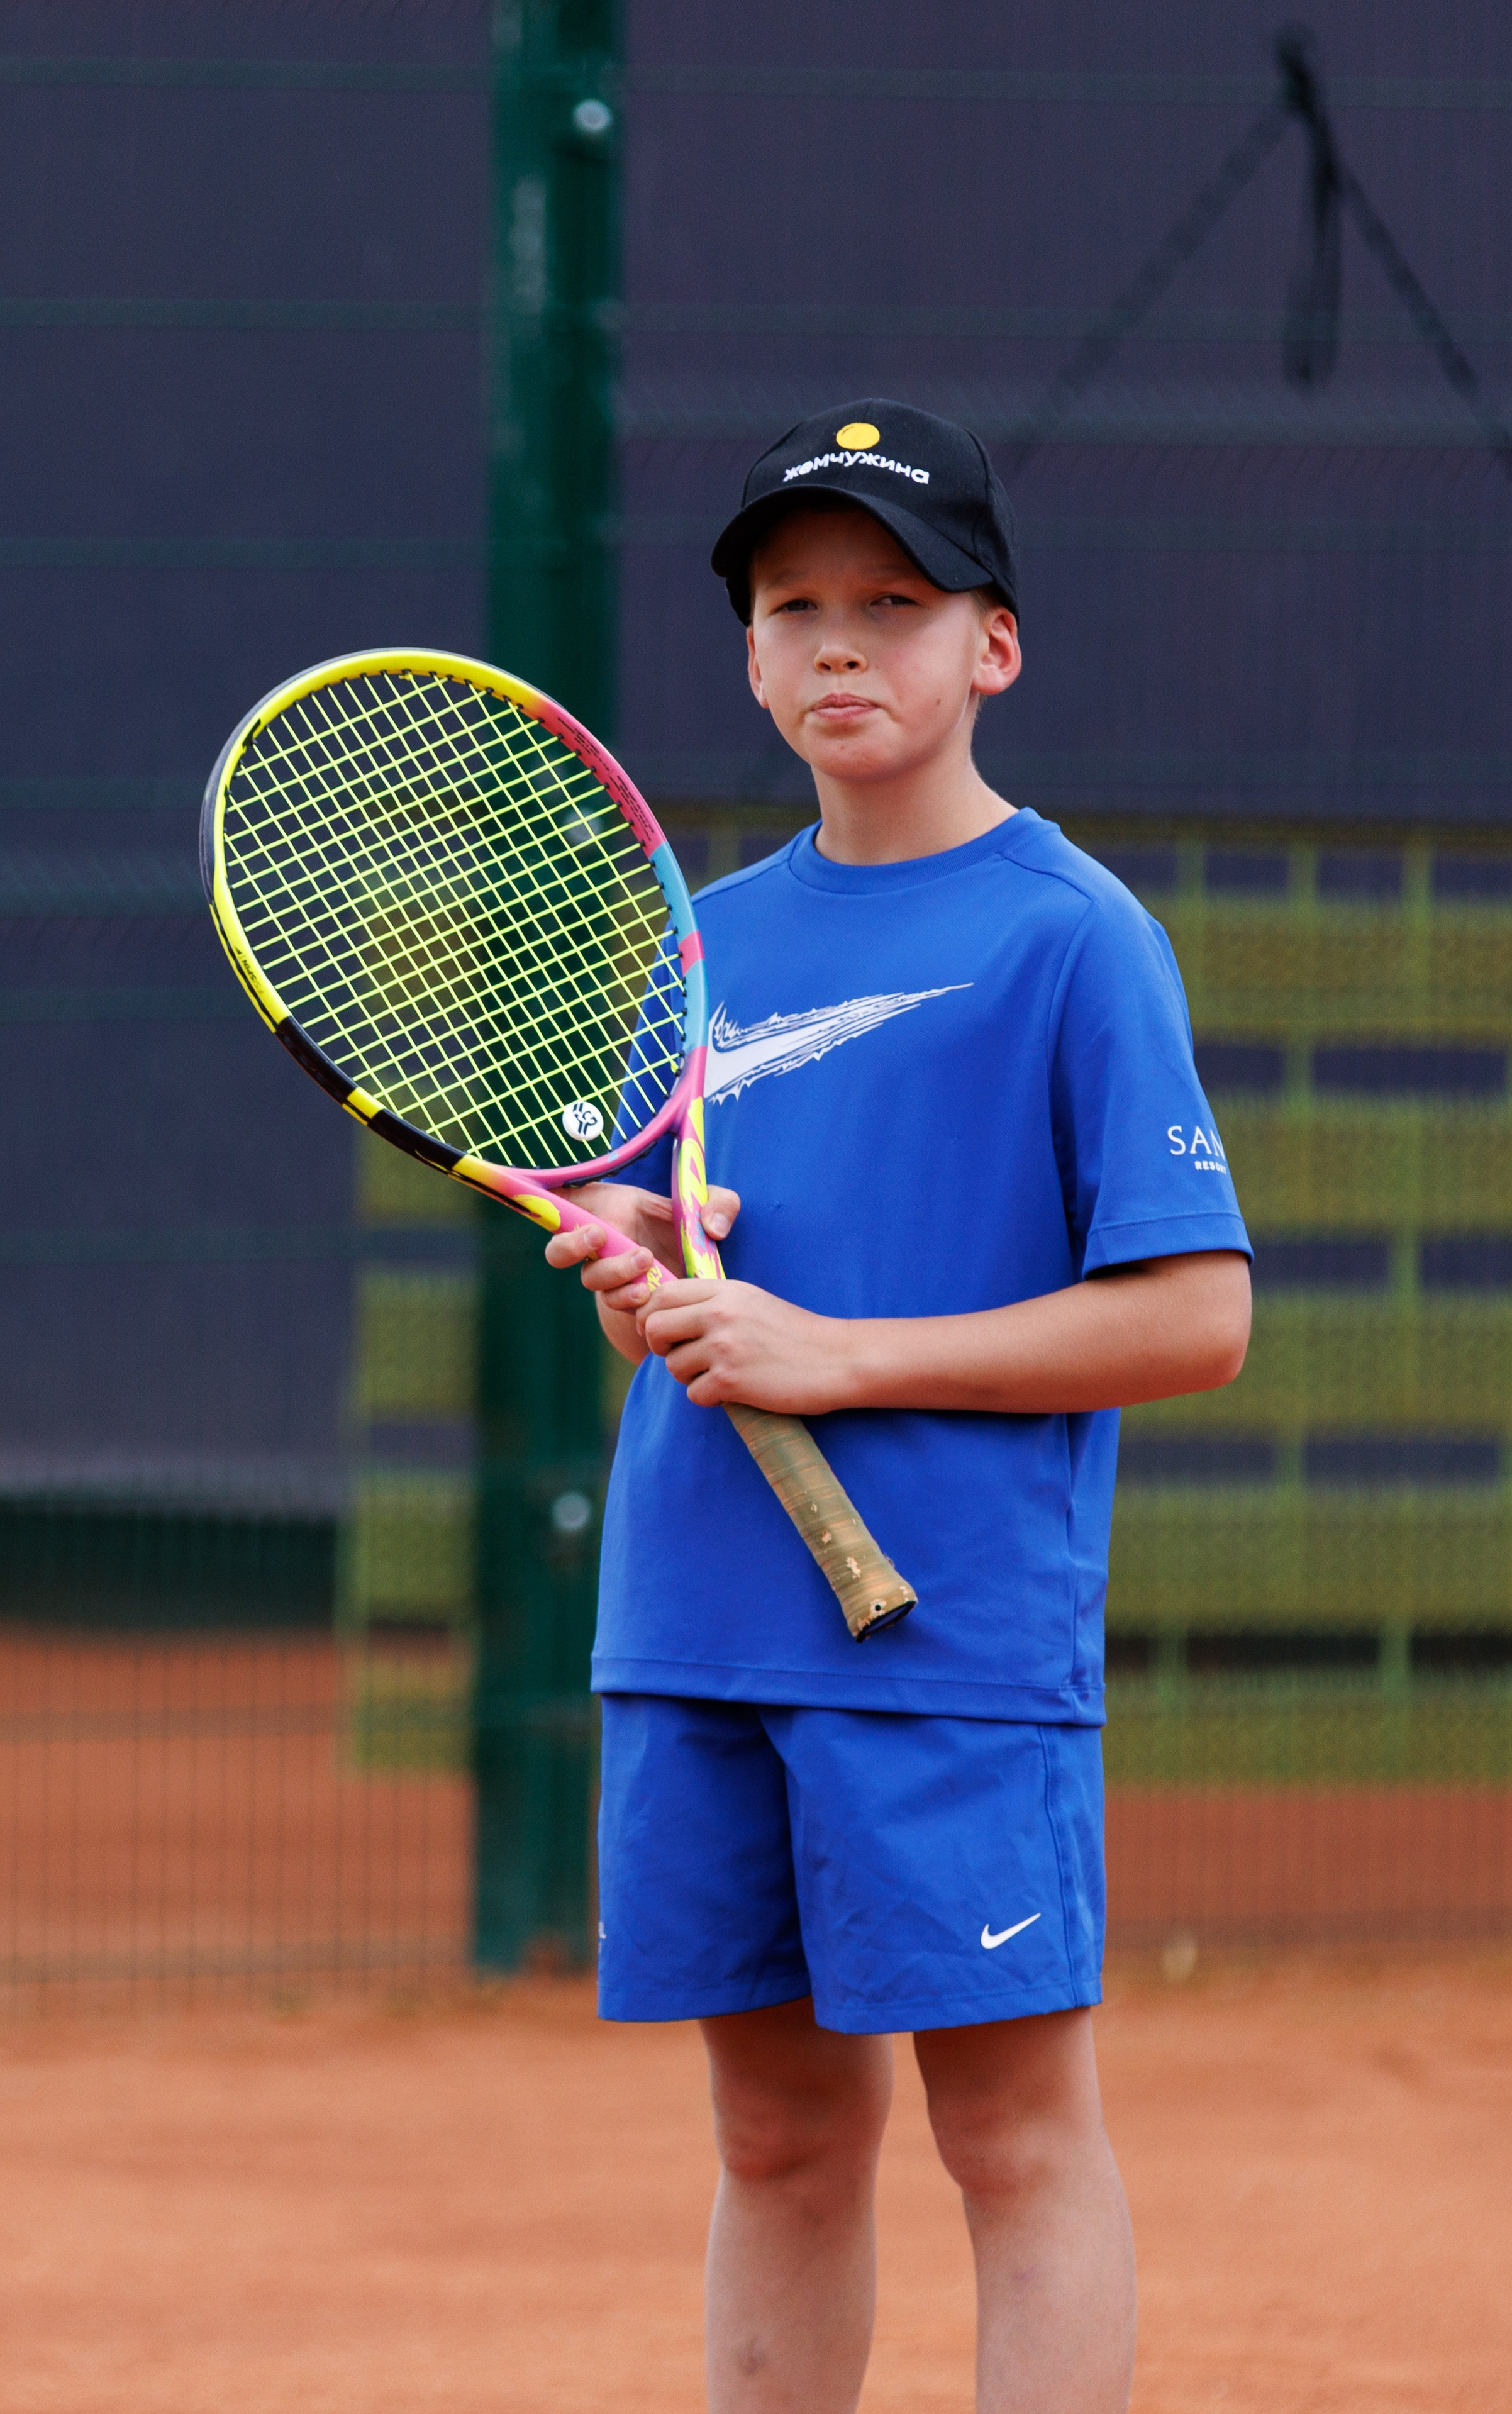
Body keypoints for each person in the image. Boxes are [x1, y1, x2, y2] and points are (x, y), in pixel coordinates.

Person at [545, 398, 1252, 2414]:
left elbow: (1197, 1318)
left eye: (895, 602)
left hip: (945, 1639)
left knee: (1011, 2138)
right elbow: (681, 1297)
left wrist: (841, 1357)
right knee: (774, 2136)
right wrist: (645, 1276)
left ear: (992, 647)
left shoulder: (1074, 937)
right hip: (700, 1624)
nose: (840, 644)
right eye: (795, 607)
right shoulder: (706, 947)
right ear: (750, 655)